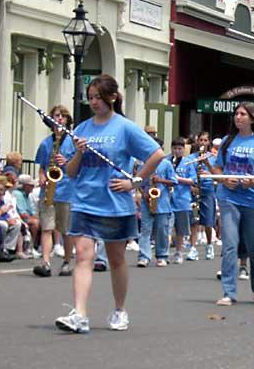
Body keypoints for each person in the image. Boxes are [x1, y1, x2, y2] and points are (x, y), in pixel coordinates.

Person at [54, 74, 165, 334]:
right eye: (90, 97)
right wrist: (79, 151)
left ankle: (119, 309)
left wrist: (135, 182)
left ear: (112, 97)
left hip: (115, 203)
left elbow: (157, 154)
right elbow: (70, 171)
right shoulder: (81, 129)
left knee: (116, 259)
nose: (93, 102)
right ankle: (79, 313)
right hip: (84, 200)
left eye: (98, 97)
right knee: (83, 256)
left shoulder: (124, 127)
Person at [211, 103, 254, 306]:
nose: (238, 117)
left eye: (242, 114)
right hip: (229, 198)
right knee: (230, 245)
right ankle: (228, 292)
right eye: (236, 114)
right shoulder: (227, 141)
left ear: (252, 119)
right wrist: (224, 179)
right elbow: (217, 168)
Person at [34, 105, 76, 278]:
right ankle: (45, 262)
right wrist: (42, 175)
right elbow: (42, 167)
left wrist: (66, 161)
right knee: (47, 227)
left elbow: (79, 166)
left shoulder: (73, 141)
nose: (59, 119)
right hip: (49, 190)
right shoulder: (45, 143)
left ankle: (67, 261)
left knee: (65, 229)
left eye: (62, 116)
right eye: (56, 116)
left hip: (67, 189)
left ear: (67, 120)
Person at [137, 138, 176, 267]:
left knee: (162, 230)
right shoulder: (143, 164)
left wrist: (160, 180)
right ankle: (144, 256)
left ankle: (162, 255)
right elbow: (138, 182)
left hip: (162, 201)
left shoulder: (166, 164)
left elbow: (174, 181)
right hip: (147, 200)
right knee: (145, 230)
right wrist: (144, 194)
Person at [186, 131, 217, 261]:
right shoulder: (191, 158)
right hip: (194, 189)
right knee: (194, 220)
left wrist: (207, 166)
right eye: (201, 140)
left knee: (208, 220)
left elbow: (216, 175)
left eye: (205, 140)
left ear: (209, 142)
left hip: (208, 189)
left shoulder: (213, 158)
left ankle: (209, 245)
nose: (203, 143)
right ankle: (193, 248)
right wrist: (194, 185)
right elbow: (189, 173)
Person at [167, 138, 197, 265]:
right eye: (175, 149)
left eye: (180, 149)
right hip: (167, 199)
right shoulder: (166, 161)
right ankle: (164, 252)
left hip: (182, 199)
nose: (177, 151)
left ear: (184, 149)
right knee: (166, 227)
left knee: (180, 229)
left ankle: (179, 252)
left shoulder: (188, 163)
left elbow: (193, 180)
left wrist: (177, 179)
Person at [15, 174, 40, 257]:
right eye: (31, 185)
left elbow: (31, 211)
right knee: (35, 223)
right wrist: (33, 218)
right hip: (19, 218)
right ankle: (30, 247)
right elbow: (22, 213)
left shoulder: (27, 195)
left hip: (27, 216)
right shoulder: (18, 194)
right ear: (25, 186)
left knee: (43, 222)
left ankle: (37, 246)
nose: (33, 187)